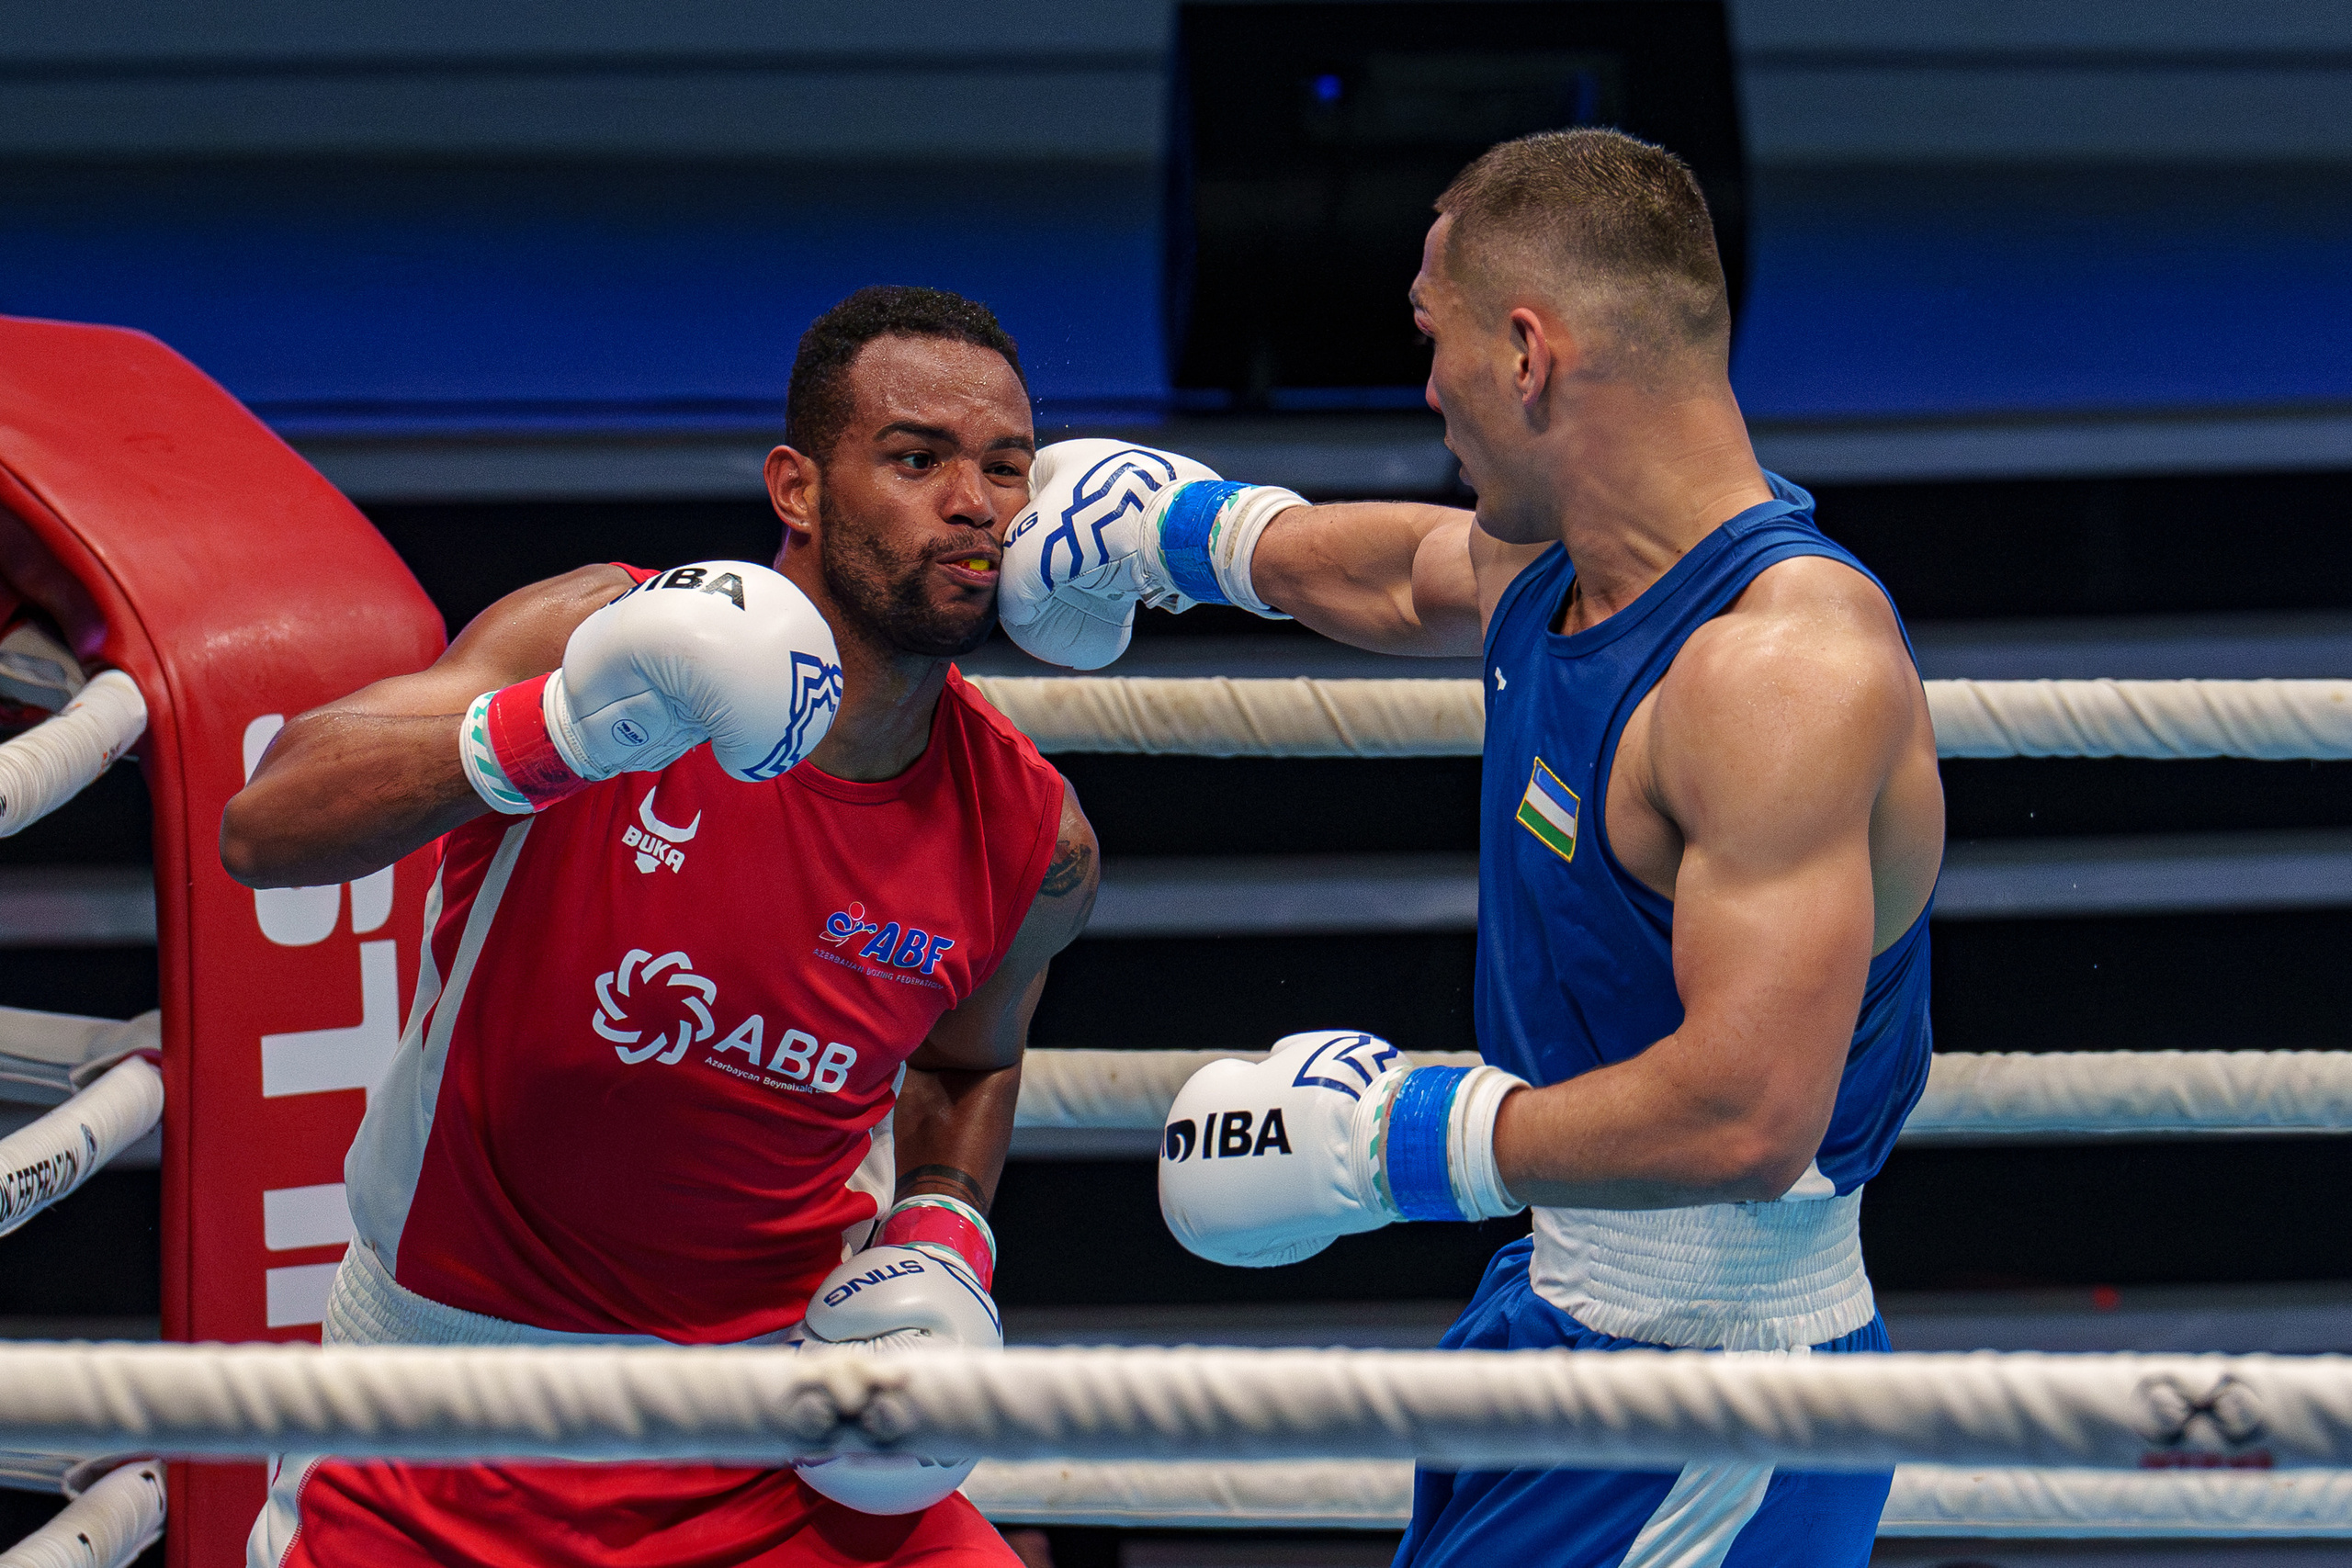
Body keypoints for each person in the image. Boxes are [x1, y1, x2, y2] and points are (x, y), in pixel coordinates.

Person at [1000, 129, 1942, 1566]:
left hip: (1713, 1389)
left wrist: (1407, 1143)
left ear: (1527, 354)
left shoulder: (1776, 675)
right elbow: (1390, 567)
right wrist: (1182, 534)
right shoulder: (1568, 571)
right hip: (1560, 1309)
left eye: (1433, 338)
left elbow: (1750, 1119)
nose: (1425, 386)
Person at [222, 285, 1094, 1568]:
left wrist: (943, 1234)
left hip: (773, 1438)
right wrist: (569, 732)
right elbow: (268, 824)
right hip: (443, 1435)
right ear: (797, 489)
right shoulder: (598, 635)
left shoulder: (1032, 836)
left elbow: (969, 1059)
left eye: (1006, 468)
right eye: (917, 459)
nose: (977, 504)